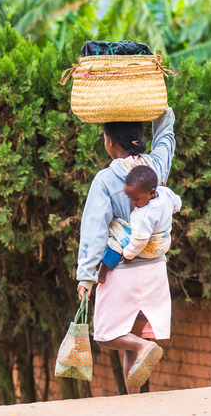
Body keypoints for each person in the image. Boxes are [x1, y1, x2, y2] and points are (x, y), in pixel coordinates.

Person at [77, 106, 177, 393]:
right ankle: (133, 401)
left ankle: (145, 346)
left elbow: (94, 230)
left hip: (123, 269)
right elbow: (166, 134)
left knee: (108, 335)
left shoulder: (106, 180)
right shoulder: (156, 167)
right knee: (128, 345)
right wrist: (160, 105)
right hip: (156, 268)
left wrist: (86, 275)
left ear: (109, 142)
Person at [98, 165, 181, 283]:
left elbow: (140, 241)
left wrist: (128, 254)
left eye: (136, 198)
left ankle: (101, 274)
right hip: (165, 243)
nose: (132, 202)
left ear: (152, 192)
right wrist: (164, 191)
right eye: (130, 198)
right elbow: (177, 205)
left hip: (150, 248)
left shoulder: (142, 216)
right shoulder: (165, 193)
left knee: (116, 235)